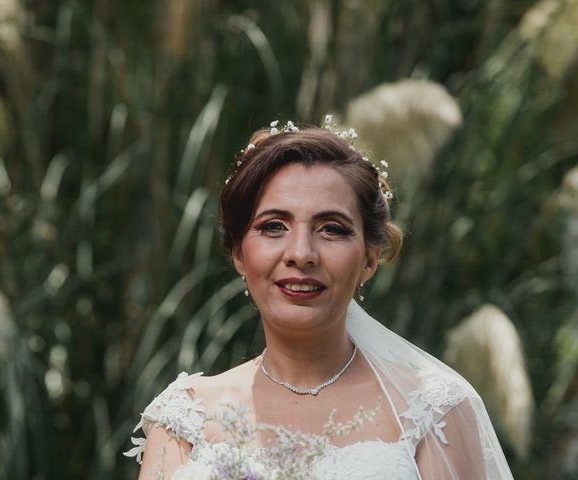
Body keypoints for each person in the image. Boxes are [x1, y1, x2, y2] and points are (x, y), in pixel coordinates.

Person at [126, 118, 514, 479]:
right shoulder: (184, 420)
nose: (301, 253)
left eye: (331, 229)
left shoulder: (432, 411)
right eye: (273, 226)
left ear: (370, 257)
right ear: (239, 254)